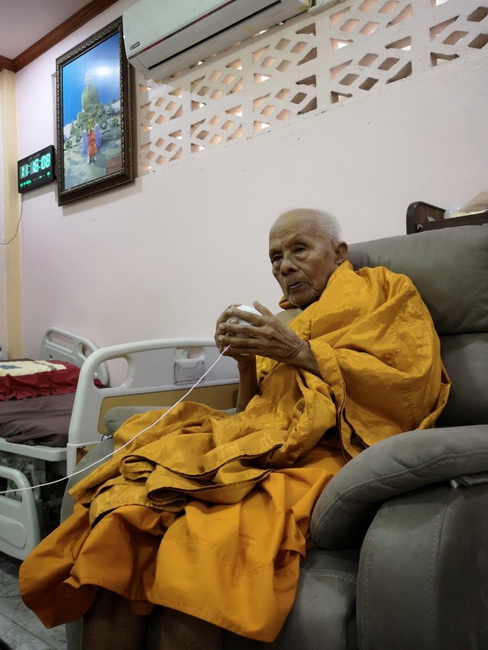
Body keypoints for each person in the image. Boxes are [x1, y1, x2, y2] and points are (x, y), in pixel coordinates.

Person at [19, 209, 449, 649]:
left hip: (325, 450)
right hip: (254, 445)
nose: (285, 266)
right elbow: (254, 413)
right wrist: (245, 363)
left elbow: (408, 388)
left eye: (299, 249)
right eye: (275, 257)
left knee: (204, 539)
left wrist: (300, 352)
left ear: (338, 252)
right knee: (122, 520)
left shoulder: (385, 290)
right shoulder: (286, 323)